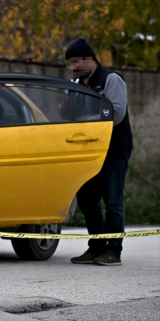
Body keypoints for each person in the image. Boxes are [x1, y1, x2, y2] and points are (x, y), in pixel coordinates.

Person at [65, 37, 133, 267]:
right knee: (86, 199)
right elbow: (67, 114)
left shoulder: (111, 79)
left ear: (90, 58)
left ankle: (113, 251)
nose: (73, 67)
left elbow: (116, 114)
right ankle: (96, 247)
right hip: (89, 151)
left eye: (76, 61)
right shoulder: (76, 83)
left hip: (114, 149)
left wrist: (85, 120)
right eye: (70, 63)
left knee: (113, 200)